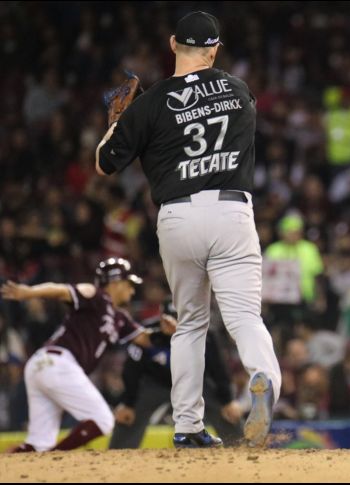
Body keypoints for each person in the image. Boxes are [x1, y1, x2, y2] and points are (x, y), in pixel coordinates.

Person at [94, 11, 281, 448]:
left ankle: (187, 426)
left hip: (177, 217)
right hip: (231, 211)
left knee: (190, 323)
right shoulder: (238, 90)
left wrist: (115, 129)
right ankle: (262, 376)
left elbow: (105, 165)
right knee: (243, 317)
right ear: (214, 50)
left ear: (173, 43)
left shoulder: (152, 102)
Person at [1, 258, 150, 452]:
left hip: (42, 365)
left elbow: (146, 339)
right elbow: (61, 290)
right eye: (129, 284)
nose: (132, 290)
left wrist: (169, 330)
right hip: (57, 364)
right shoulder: (96, 295)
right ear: (116, 282)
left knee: (38, 443)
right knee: (103, 419)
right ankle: (56, 458)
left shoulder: (120, 318)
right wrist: (29, 292)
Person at [109, 299, 243, 448]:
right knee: (128, 414)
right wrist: (127, 403)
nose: (174, 323)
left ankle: (241, 449)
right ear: (162, 318)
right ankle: (116, 455)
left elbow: (218, 369)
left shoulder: (205, 334)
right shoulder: (146, 334)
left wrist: (228, 400)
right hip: (156, 383)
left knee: (228, 412)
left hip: (194, 383)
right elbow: (131, 369)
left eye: (179, 318)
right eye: (170, 317)